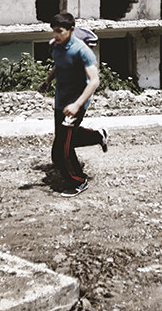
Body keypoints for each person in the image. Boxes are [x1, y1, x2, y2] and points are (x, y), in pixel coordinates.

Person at [42, 11, 108, 197]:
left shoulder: (82, 51)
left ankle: (79, 181)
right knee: (65, 140)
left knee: (61, 152)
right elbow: (59, 65)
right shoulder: (55, 45)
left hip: (76, 104)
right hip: (60, 102)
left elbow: (94, 81)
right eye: (53, 31)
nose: (55, 35)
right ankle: (98, 136)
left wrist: (77, 105)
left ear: (71, 30)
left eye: (59, 31)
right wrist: (47, 81)